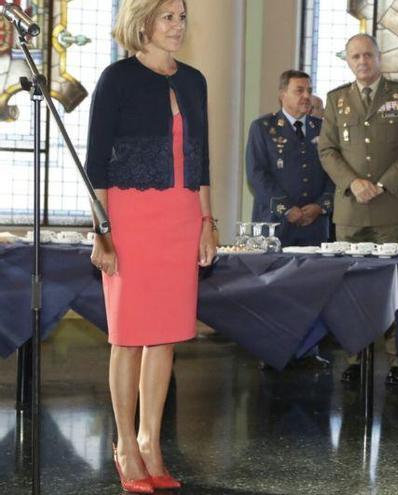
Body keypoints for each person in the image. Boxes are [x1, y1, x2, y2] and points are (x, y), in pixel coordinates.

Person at [86, 0, 215, 492]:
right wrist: (101, 231)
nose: (178, 26)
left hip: (181, 217)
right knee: (128, 335)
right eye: (168, 17)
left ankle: (150, 442)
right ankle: (123, 444)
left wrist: (207, 221)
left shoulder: (194, 80)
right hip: (130, 217)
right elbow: (96, 162)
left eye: (181, 17)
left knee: (165, 336)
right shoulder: (116, 78)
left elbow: (201, 159)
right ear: (142, 21)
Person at [318, 33, 398, 386]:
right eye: (354, 57)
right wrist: (353, 183)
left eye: (367, 55)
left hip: (391, 207)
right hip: (350, 210)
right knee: (350, 289)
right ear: (347, 61)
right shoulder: (337, 100)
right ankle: (355, 358)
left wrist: (380, 184)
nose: (362, 62)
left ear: (379, 57)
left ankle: (397, 361)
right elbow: (327, 151)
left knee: (394, 289)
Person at [246, 70, 333, 247]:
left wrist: (320, 206)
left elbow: (334, 172)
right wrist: (286, 209)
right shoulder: (263, 127)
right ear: (282, 95)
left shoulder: (324, 128)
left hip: (315, 225)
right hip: (275, 224)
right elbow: (257, 175)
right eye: (299, 91)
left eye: (309, 90)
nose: (306, 96)